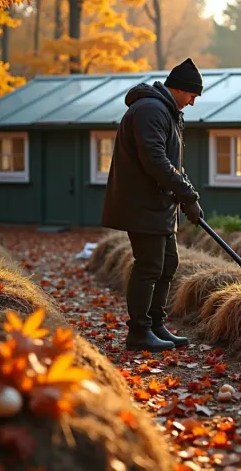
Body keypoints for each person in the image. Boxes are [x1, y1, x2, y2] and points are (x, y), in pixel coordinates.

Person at [101, 58, 204, 352]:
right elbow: (155, 160)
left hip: (158, 205)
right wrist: (188, 194)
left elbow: (171, 163)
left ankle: (156, 325)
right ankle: (139, 332)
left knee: (168, 264)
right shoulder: (150, 110)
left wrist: (186, 196)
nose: (193, 102)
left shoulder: (167, 112)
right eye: (193, 95)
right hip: (141, 204)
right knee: (149, 266)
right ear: (181, 89)